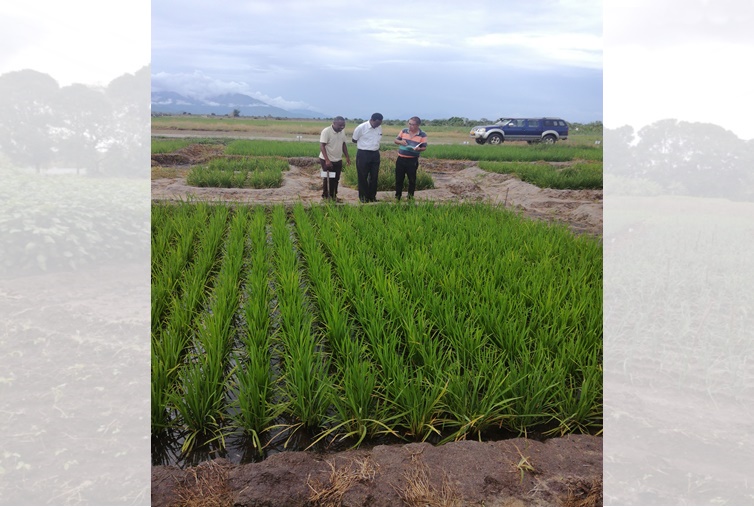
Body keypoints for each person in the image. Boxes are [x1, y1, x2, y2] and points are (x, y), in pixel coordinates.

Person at [393, 116, 427, 200]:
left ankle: (410, 197)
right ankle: (398, 197)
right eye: (409, 124)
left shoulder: (422, 135)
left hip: (412, 160)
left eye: (413, 124)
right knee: (399, 179)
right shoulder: (404, 131)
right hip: (401, 159)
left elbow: (424, 147)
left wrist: (419, 149)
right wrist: (401, 142)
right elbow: (395, 140)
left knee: (412, 179)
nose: (410, 126)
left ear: (418, 125)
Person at [351, 112, 383, 202]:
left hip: (375, 154)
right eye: (376, 123)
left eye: (379, 124)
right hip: (363, 154)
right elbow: (354, 139)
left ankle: (372, 197)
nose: (378, 125)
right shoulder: (361, 127)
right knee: (362, 176)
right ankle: (363, 198)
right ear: (372, 120)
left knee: (374, 176)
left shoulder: (379, 128)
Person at [318, 116, 350, 201]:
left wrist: (347, 157)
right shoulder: (326, 131)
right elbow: (322, 145)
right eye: (340, 125)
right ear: (334, 123)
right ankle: (326, 196)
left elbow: (343, 144)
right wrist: (327, 160)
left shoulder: (342, 131)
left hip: (337, 159)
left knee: (336, 179)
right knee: (328, 178)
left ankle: (333, 196)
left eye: (343, 125)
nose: (342, 127)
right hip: (327, 159)